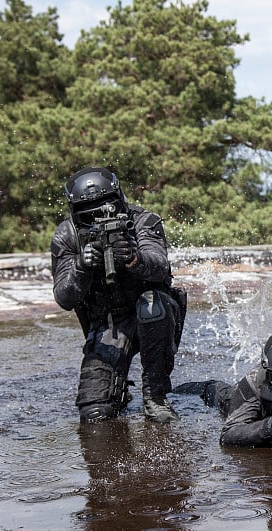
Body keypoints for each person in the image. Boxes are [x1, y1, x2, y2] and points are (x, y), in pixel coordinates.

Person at [51, 167, 186, 423]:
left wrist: (135, 259)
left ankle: (155, 395)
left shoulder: (143, 221)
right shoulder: (67, 236)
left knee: (152, 305)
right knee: (94, 414)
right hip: (108, 323)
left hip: (153, 315)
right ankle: (117, 391)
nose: (100, 218)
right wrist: (82, 265)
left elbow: (160, 266)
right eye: (90, 215)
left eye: (107, 208)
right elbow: (64, 298)